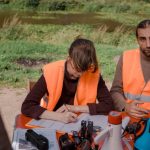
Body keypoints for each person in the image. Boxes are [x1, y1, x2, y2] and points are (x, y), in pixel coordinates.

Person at [21, 38, 114, 123]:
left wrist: (74, 108)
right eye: (76, 68)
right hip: (51, 120)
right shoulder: (52, 71)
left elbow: (108, 105)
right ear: (69, 58)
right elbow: (27, 106)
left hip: (78, 122)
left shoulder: (92, 72)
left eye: (83, 70)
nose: (79, 74)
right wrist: (59, 117)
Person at [110, 20, 150, 118]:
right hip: (128, 120)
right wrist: (125, 106)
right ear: (137, 40)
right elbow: (115, 91)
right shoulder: (126, 57)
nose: (148, 44)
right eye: (142, 39)